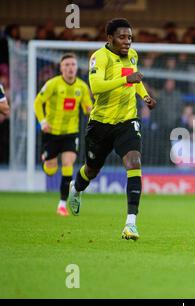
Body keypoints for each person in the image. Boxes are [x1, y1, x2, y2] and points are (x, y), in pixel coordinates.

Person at [67, 18, 156, 240]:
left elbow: (135, 81)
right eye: (122, 37)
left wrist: (144, 95)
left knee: (134, 162)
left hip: (127, 120)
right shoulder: (100, 57)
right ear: (110, 38)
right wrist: (127, 78)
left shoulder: (132, 55)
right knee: (91, 170)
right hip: (100, 123)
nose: (127, 42)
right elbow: (96, 87)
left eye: (130, 37)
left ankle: (131, 224)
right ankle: (76, 188)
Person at [34, 53, 92, 216]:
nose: (70, 68)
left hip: (70, 133)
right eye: (66, 65)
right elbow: (38, 102)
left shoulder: (82, 87)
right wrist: (42, 122)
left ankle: (62, 205)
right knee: (51, 170)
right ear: (61, 68)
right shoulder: (52, 84)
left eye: (73, 64)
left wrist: (90, 110)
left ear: (76, 67)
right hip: (51, 133)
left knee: (68, 163)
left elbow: (87, 106)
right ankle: (47, 161)